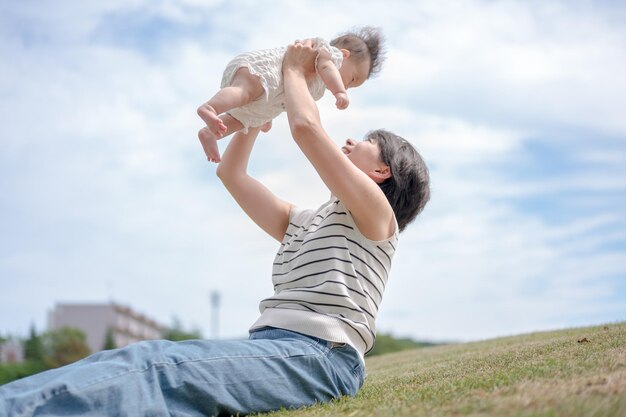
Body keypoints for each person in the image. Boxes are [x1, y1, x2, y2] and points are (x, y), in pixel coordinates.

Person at [0, 39, 430, 417]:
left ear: (382, 169)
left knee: (156, 368)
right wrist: (260, 110)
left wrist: (294, 71)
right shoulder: (308, 222)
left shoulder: (378, 217)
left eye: (366, 140)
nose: (352, 141)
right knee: (133, 358)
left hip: (321, 356)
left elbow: (305, 128)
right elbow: (232, 174)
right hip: (279, 346)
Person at [197, 26, 384, 162]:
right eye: (352, 79)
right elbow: (327, 68)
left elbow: (286, 98)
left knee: (244, 119)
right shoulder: (327, 55)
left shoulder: (315, 86)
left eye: (350, 87)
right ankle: (210, 107)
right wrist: (340, 91)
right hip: (261, 71)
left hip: (268, 92)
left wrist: (267, 115)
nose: (346, 85)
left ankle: (210, 134)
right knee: (244, 92)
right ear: (344, 54)